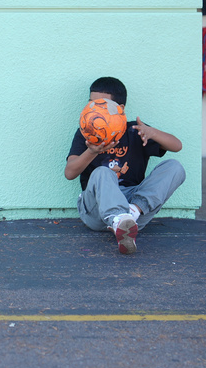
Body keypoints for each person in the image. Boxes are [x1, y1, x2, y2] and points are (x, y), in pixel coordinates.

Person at [65, 77, 186, 255]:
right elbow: (70, 173)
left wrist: (153, 133)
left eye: (102, 105)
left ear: (120, 109)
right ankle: (118, 218)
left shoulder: (135, 131)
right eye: (91, 104)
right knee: (103, 172)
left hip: (133, 205)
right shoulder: (86, 133)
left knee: (174, 167)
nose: (94, 111)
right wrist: (91, 151)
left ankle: (129, 215)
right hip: (97, 211)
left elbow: (177, 146)